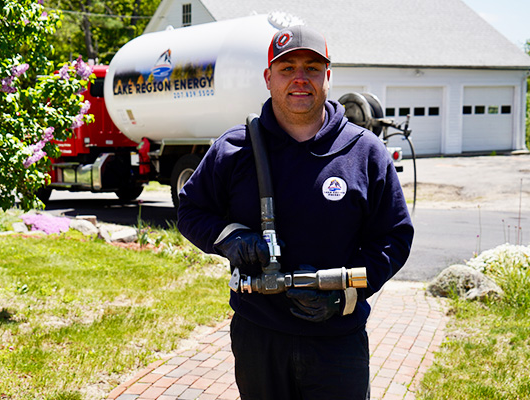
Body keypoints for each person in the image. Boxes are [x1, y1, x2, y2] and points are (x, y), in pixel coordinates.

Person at [177, 24, 414, 400]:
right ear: (268, 78)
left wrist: (346, 296)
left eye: (311, 68)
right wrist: (230, 238)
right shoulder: (235, 148)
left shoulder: (364, 152)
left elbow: (394, 238)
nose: (300, 79)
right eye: (287, 69)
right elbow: (190, 209)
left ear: (328, 77)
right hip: (260, 337)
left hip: (338, 340)